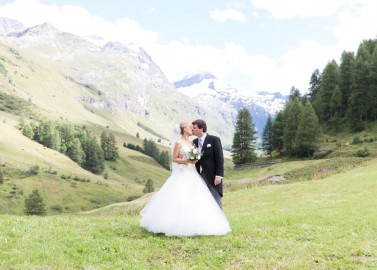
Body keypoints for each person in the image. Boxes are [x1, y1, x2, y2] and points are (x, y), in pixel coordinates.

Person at [140, 122, 231, 237]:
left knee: (197, 199)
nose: (191, 129)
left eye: (193, 127)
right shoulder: (178, 142)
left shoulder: (193, 142)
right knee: (180, 197)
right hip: (183, 172)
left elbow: (212, 158)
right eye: (189, 127)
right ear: (184, 130)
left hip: (193, 173)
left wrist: (196, 161)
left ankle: (198, 223)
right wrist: (187, 161)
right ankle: (175, 224)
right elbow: (174, 159)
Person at [192, 119, 224, 209]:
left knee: (216, 200)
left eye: (194, 128)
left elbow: (219, 158)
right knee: (203, 200)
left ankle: (220, 222)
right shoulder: (194, 142)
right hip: (201, 176)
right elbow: (195, 161)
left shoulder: (214, 140)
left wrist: (219, 175)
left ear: (201, 129)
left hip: (214, 176)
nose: (192, 130)